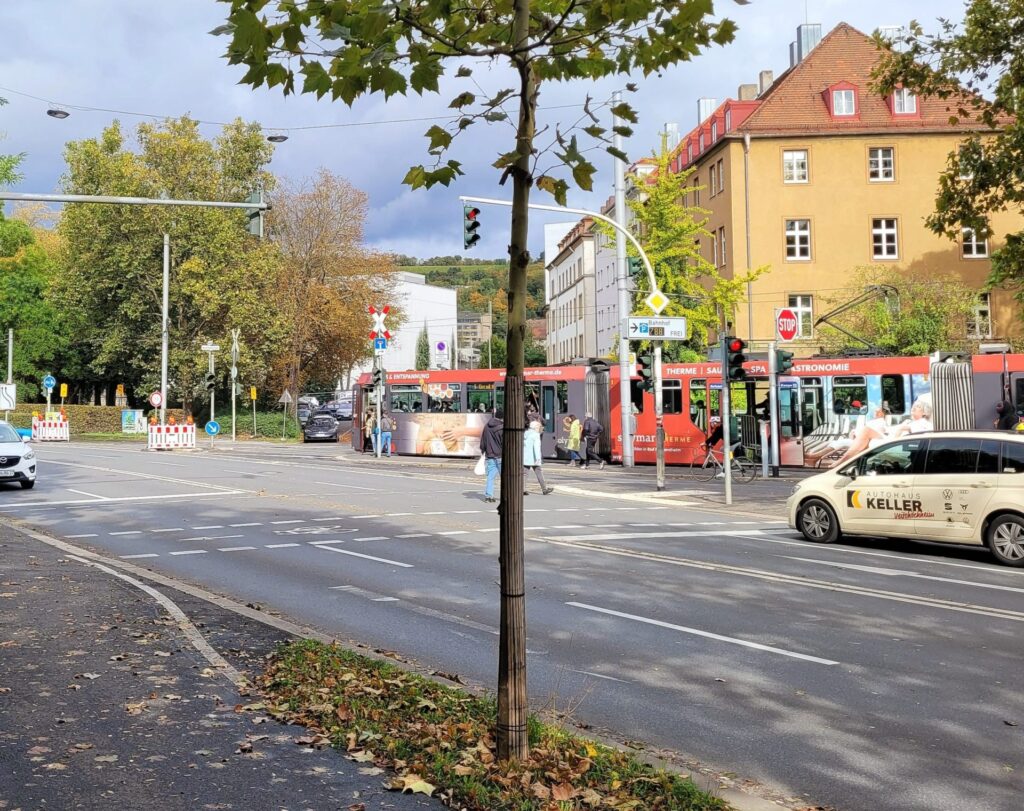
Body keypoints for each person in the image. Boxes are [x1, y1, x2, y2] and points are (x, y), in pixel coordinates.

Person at [523, 420, 553, 495]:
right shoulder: (536, 435)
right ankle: (544, 489)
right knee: (539, 473)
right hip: (534, 459)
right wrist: (538, 458)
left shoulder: (525, 433)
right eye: (539, 426)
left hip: (526, 458)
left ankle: (522, 489)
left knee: (525, 474)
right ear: (535, 427)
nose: (540, 428)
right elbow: (536, 447)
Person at [481, 408, 504, 502]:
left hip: (490, 455)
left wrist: (483, 451)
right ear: (502, 418)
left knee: (490, 477)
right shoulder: (501, 427)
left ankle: (488, 496)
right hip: (500, 455)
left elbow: (483, 441)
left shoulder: (486, 426)